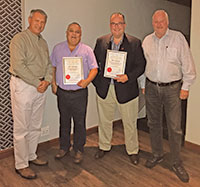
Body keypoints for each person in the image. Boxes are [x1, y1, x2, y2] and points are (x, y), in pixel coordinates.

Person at [141, 10, 196, 183]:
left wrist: (186, 86)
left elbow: (188, 63)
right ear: (152, 23)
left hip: (173, 89)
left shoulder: (178, 38)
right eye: (156, 21)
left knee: (174, 127)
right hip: (151, 87)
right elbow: (144, 65)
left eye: (162, 21)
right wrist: (143, 84)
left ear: (167, 21)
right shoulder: (147, 41)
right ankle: (157, 154)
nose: (159, 24)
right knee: (153, 123)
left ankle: (176, 162)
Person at [92, 12, 146, 165]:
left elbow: (140, 66)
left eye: (119, 23)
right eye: (113, 24)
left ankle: (132, 150)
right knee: (104, 121)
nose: (116, 26)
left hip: (126, 89)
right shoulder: (101, 41)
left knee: (129, 122)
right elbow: (93, 64)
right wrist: (97, 84)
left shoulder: (135, 43)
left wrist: (128, 77)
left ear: (124, 25)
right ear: (110, 26)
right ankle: (104, 146)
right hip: (105, 89)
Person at [9, 9, 52, 179]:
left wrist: (47, 81)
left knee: (35, 125)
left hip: (40, 86)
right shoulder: (19, 39)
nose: (40, 24)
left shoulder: (43, 42)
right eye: (37, 21)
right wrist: (37, 83)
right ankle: (21, 164)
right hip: (24, 86)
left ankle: (31, 155)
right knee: (22, 128)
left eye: (43, 22)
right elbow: (19, 66)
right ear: (29, 19)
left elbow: (49, 65)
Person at [51, 22, 98, 164]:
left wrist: (86, 81)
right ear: (66, 32)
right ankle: (64, 147)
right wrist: (53, 83)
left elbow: (94, 69)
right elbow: (52, 67)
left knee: (79, 122)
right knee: (64, 121)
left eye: (77, 32)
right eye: (71, 31)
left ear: (80, 34)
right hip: (63, 93)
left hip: (79, 93)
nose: (74, 34)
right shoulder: (58, 49)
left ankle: (79, 149)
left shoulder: (87, 50)